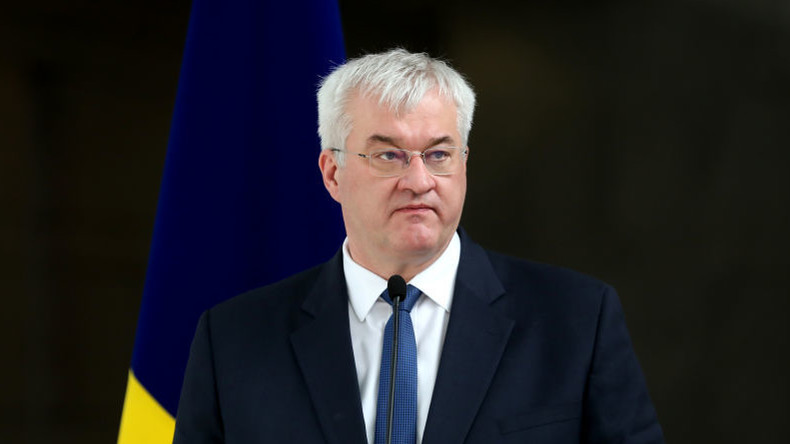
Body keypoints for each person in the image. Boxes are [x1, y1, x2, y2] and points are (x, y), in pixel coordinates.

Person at [173, 48, 664, 444]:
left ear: (464, 163)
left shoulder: (577, 321)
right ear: (333, 173)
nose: (419, 180)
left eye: (439, 154)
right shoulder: (233, 340)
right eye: (389, 155)